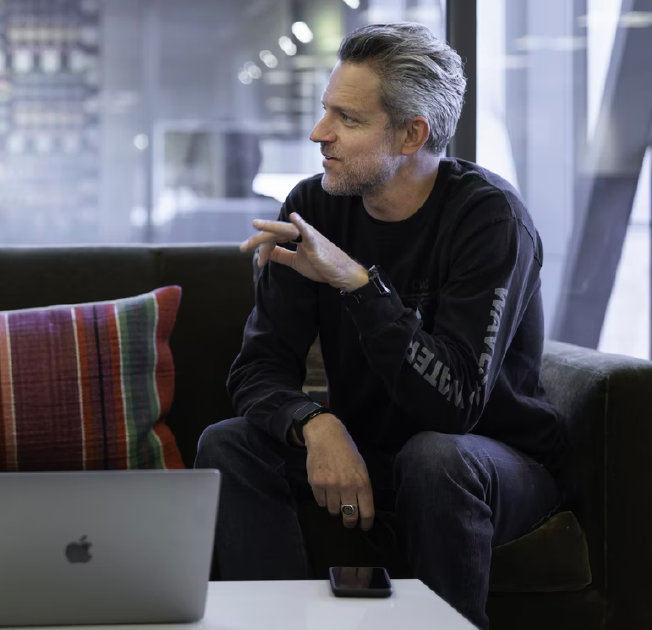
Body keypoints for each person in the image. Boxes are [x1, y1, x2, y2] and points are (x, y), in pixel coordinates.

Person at [194, 23, 565, 628]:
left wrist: (359, 283)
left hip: (493, 462)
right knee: (227, 443)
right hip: (372, 450)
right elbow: (257, 368)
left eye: (348, 119)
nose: (320, 134)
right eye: (325, 111)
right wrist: (314, 423)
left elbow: (456, 408)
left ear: (412, 134)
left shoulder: (489, 219)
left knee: (435, 458)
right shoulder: (313, 206)